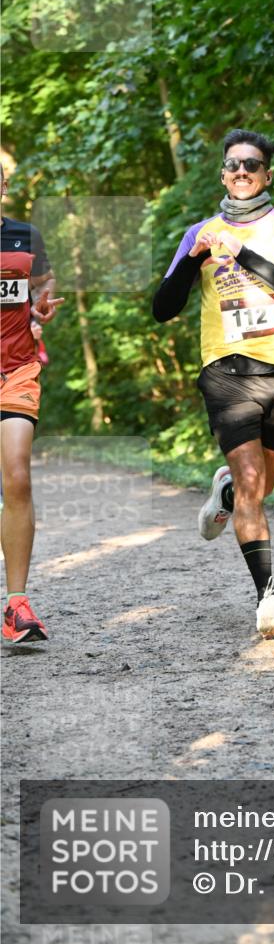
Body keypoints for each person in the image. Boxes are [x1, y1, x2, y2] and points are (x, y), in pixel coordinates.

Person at [153, 129, 274, 638]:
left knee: (261, 486)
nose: (242, 172)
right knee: (254, 484)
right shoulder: (198, 233)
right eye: (233, 165)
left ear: (268, 174)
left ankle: (224, 493)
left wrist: (244, 254)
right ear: (223, 174)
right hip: (225, 370)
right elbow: (163, 309)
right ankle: (268, 598)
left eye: (252, 165)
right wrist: (194, 259)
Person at [1, 162, 63, 643]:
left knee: (17, 474)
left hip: (17, 369)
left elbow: (44, 284)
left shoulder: (25, 234)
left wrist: (41, 304)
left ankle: (17, 604)